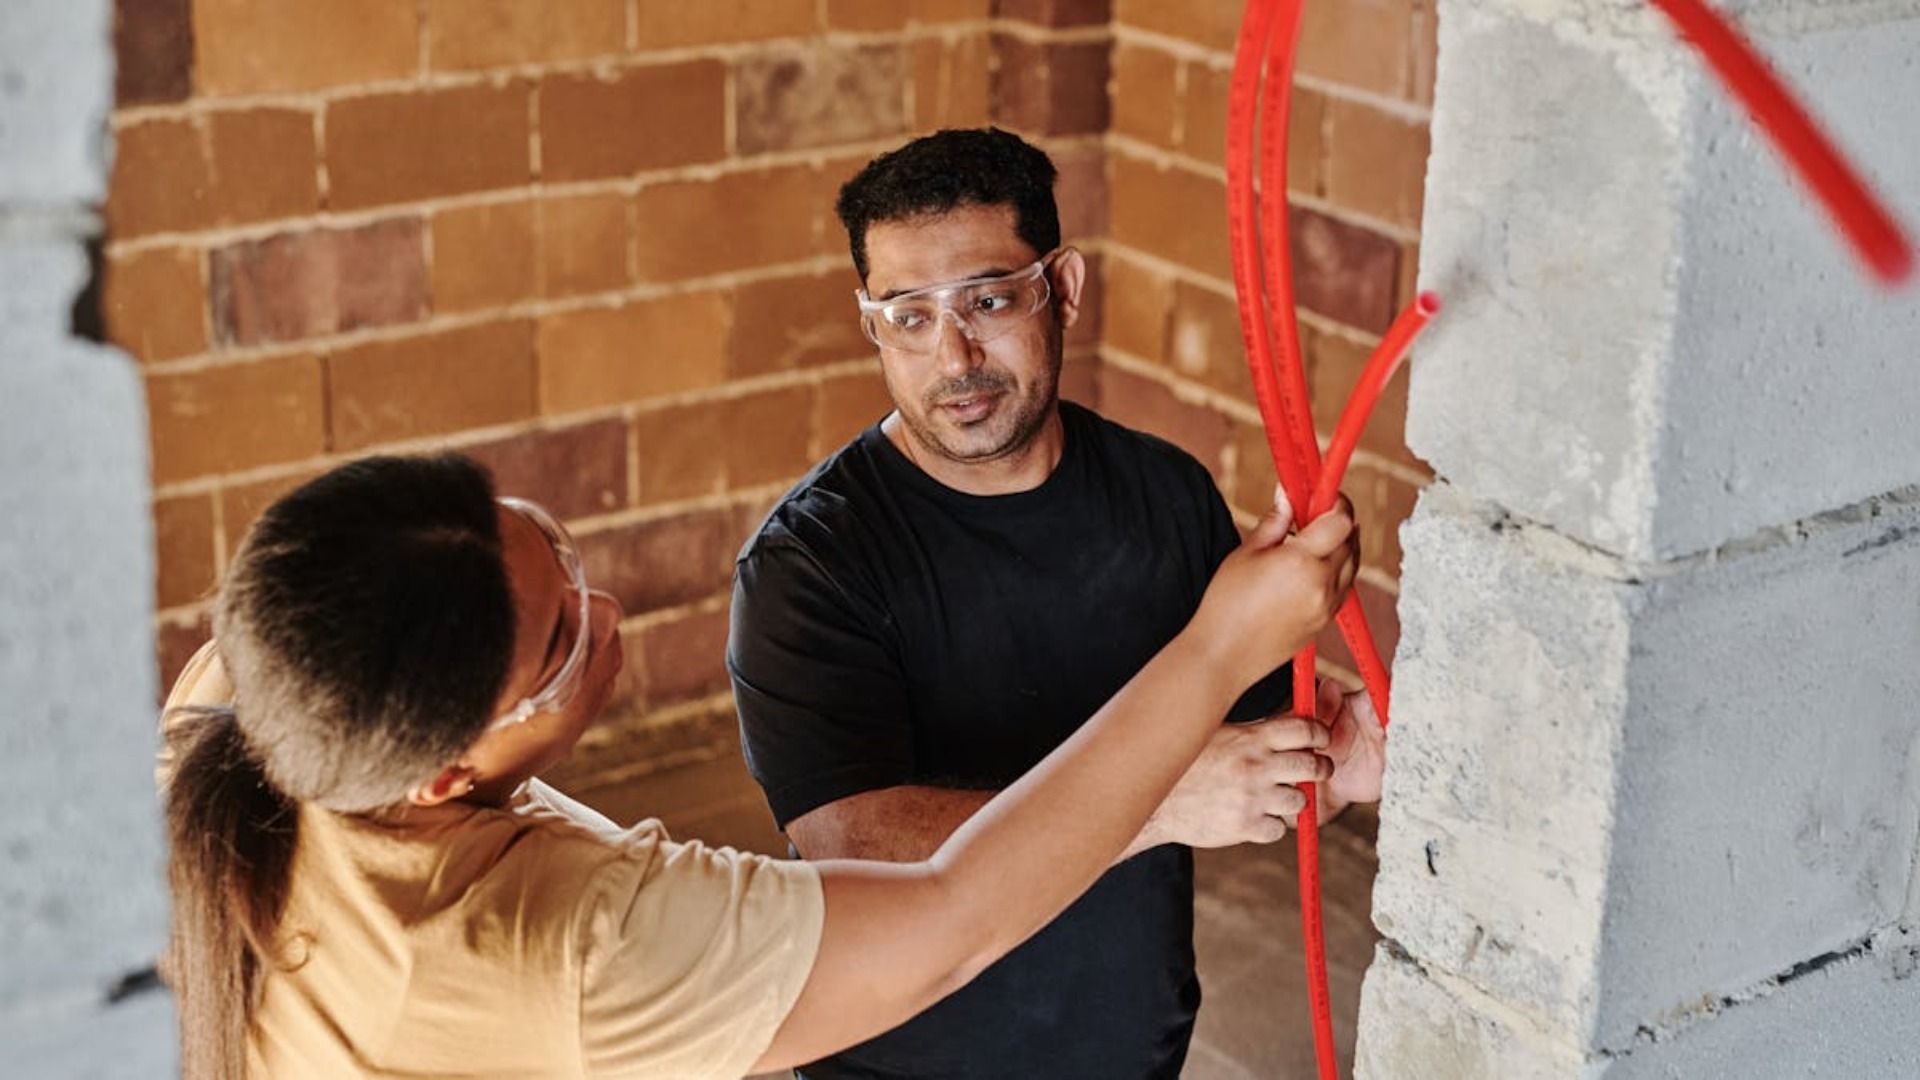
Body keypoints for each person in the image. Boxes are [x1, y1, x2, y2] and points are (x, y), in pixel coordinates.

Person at [158, 451, 1356, 1078]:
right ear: (439, 775)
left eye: (552, 543)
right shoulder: (577, 951)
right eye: (561, 640)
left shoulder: (240, 694)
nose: (604, 606)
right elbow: (950, 922)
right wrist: (1216, 651)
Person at [726, 127, 1388, 1078]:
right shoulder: (809, 564)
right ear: (870, 322)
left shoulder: (1165, 496)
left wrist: (1339, 759)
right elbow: (856, 847)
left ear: (1063, 288)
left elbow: (1248, 760)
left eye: (989, 300)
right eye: (908, 317)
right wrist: (1162, 802)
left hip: (1131, 1057)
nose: (953, 356)